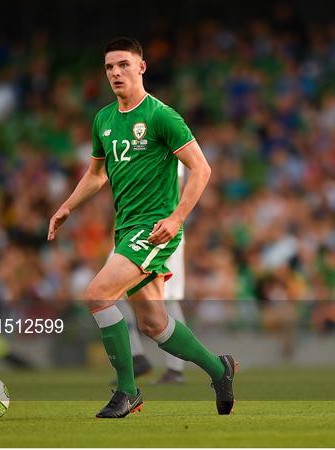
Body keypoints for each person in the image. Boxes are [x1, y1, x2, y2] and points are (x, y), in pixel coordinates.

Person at [48, 37, 237, 419]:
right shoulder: (103, 118)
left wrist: (177, 218)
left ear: (141, 67)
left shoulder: (161, 115)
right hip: (125, 229)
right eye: (109, 67)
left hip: (153, 229)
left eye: (123, 65)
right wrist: (67, 206)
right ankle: (220, 370)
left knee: (98, 295)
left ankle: (127, 391)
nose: (115, 72)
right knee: (153, 323)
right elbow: (96, 175)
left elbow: (202, 168)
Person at [117, 162, 188, 384]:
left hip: (159, 228)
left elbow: (177, 182)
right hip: (131, 229)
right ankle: (137, 356)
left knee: (167, 298)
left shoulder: (163, 136)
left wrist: (170, 220)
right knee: (109, 292)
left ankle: (175, 368)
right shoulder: (126, 137)